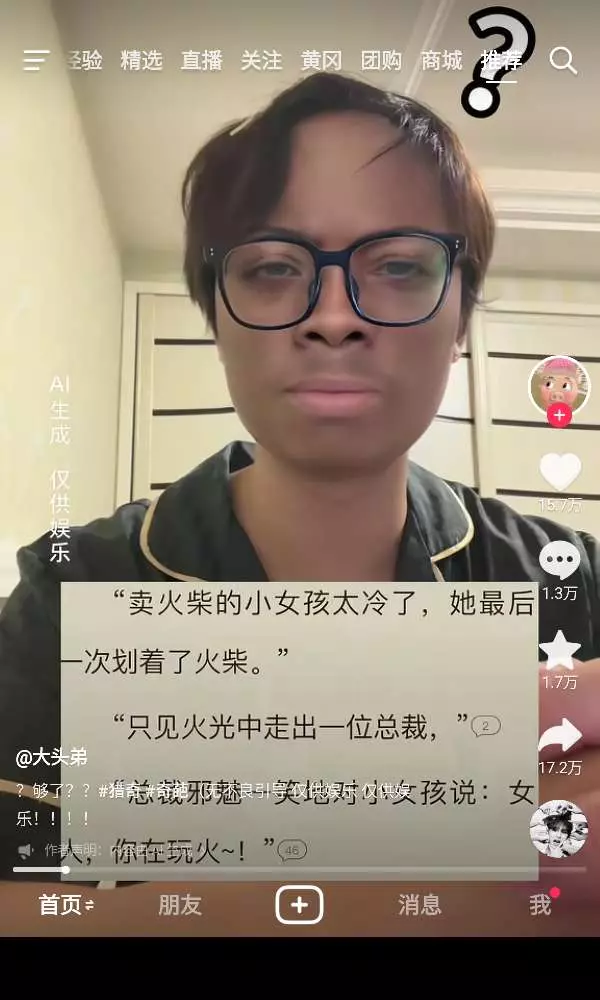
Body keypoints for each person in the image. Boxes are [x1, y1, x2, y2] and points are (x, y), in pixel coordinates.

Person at [1, 71, 600, 936]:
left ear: (461, 316)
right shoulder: (76, 590)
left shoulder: (573, 585)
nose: (334, 318)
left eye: (399, 266)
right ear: (215, 314)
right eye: (275, 268)